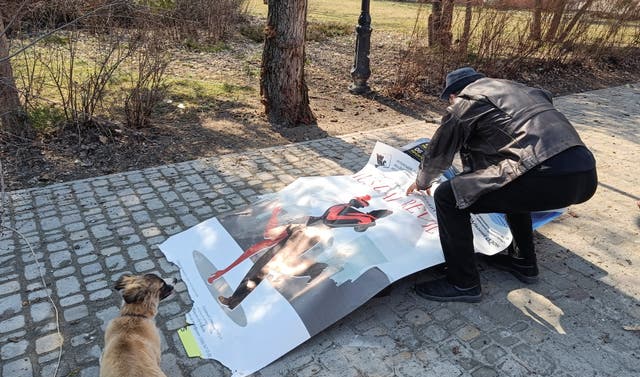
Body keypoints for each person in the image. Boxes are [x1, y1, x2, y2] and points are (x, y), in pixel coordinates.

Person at [406, 67, 597, 303]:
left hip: (543, 174)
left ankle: (463, 283)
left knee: (448, 196)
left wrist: (422, 180)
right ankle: (524, 262)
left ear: (453, 95)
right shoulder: (520, 90)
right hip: (585, 174)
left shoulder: (468, 99)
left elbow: (439, 150)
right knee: (515, 183)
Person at [211, 196, 392, 309]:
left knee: (272, 268)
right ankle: (234, 300)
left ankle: (317, 269)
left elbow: (341, 222)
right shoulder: (330, 211)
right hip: (298, 236)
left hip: (305, 238)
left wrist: (368, 218)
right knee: (258, 270)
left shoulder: (336, 217)